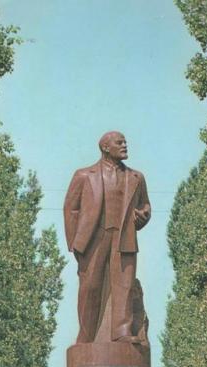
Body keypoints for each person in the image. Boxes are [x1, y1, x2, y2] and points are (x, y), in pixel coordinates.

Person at [64, 131, 151, 344]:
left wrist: (143, 215)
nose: (125, 145)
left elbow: (145, 205)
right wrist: (75, 243)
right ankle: (86, 336)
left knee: (124, 285)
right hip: (94, 238)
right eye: (119, 142)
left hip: (124, 237)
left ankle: (122, 332)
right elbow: (70, 209)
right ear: (105, 147)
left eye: (125, 142)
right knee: (90, 287)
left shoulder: (136, 177)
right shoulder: (84, 175)